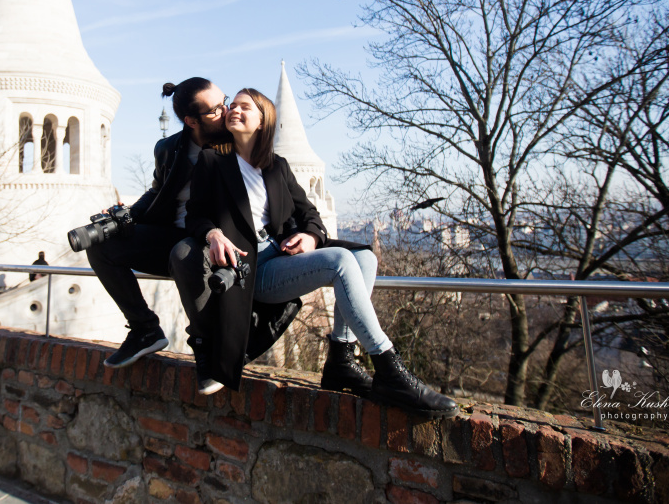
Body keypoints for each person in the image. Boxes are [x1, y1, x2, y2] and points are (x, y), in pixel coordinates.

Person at [175, 88, 458, 418]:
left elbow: (310, 213)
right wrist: (213, 234)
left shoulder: (276, 166)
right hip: (253, 269)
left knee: (365, 257)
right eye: (232, 105)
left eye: (244, 107)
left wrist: (310, 236)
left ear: (263, 120)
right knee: (340, 261)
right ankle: (389, 368)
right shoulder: (212, 161)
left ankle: (342, 359)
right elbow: (195, 215)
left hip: (283, 253)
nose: (233, 110)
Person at [85, 78, 234, 368]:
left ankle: (207, 346)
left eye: (224, 101)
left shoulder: (237, 142)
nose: (226, 111)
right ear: (191, 121)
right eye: (216, 109)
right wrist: (125, 216)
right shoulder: (169, 148)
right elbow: (157, 192)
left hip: (213, 240)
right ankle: (144, 330)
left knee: (184, 252)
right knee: (100, 244)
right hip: (171, 235)